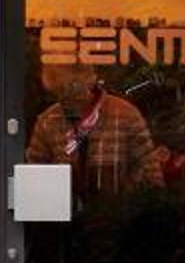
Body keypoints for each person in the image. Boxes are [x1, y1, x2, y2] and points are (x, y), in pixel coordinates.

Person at [27, 68, 162, 195]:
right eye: (60, 90)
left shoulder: (126, 114)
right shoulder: (47, 121)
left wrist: (123, 197)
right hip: (64, 209)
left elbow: (151, 175)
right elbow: (33, 179)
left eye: (73, 86)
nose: (67, 95)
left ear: (90, 79)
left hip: (117, 209)